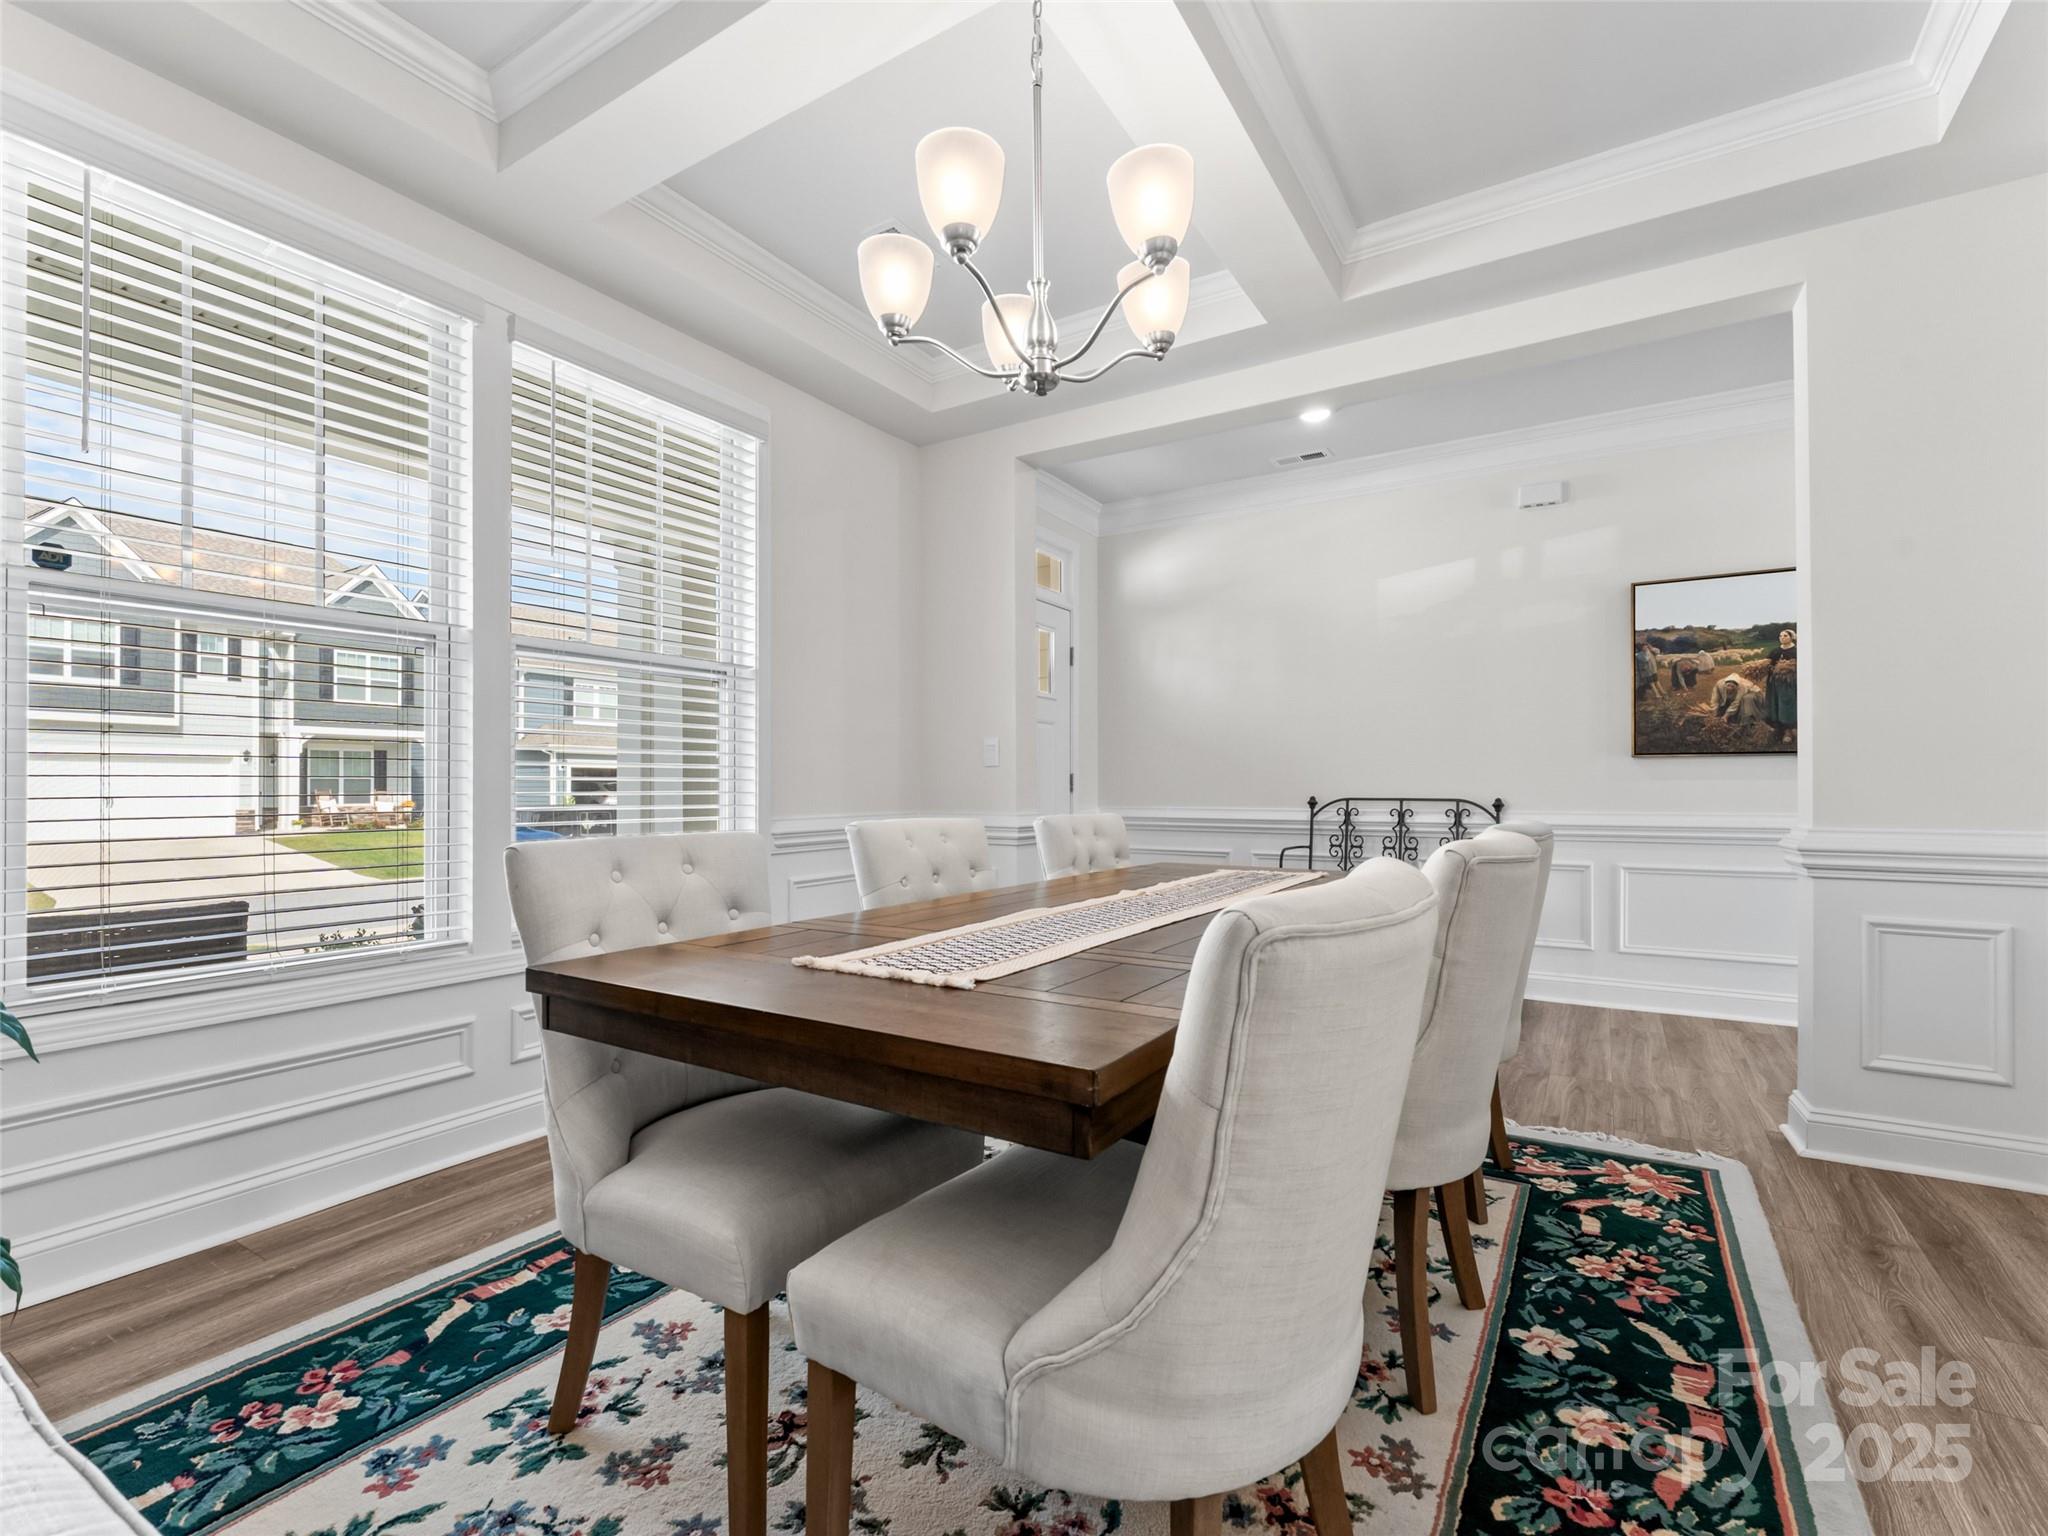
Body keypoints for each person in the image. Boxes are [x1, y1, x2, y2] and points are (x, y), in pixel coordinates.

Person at [1763, 627, 1797, 745]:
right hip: (1775, 684)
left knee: (1788, 705)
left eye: (1785, 636)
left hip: (1790, 684)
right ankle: (1781, 729)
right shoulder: (1775, 651)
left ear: (1791, 637)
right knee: (1775, 704)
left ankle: (1790, 729)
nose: (1782, 638)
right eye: (1780, 636)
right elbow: (1767, 664)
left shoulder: (1796, 651)